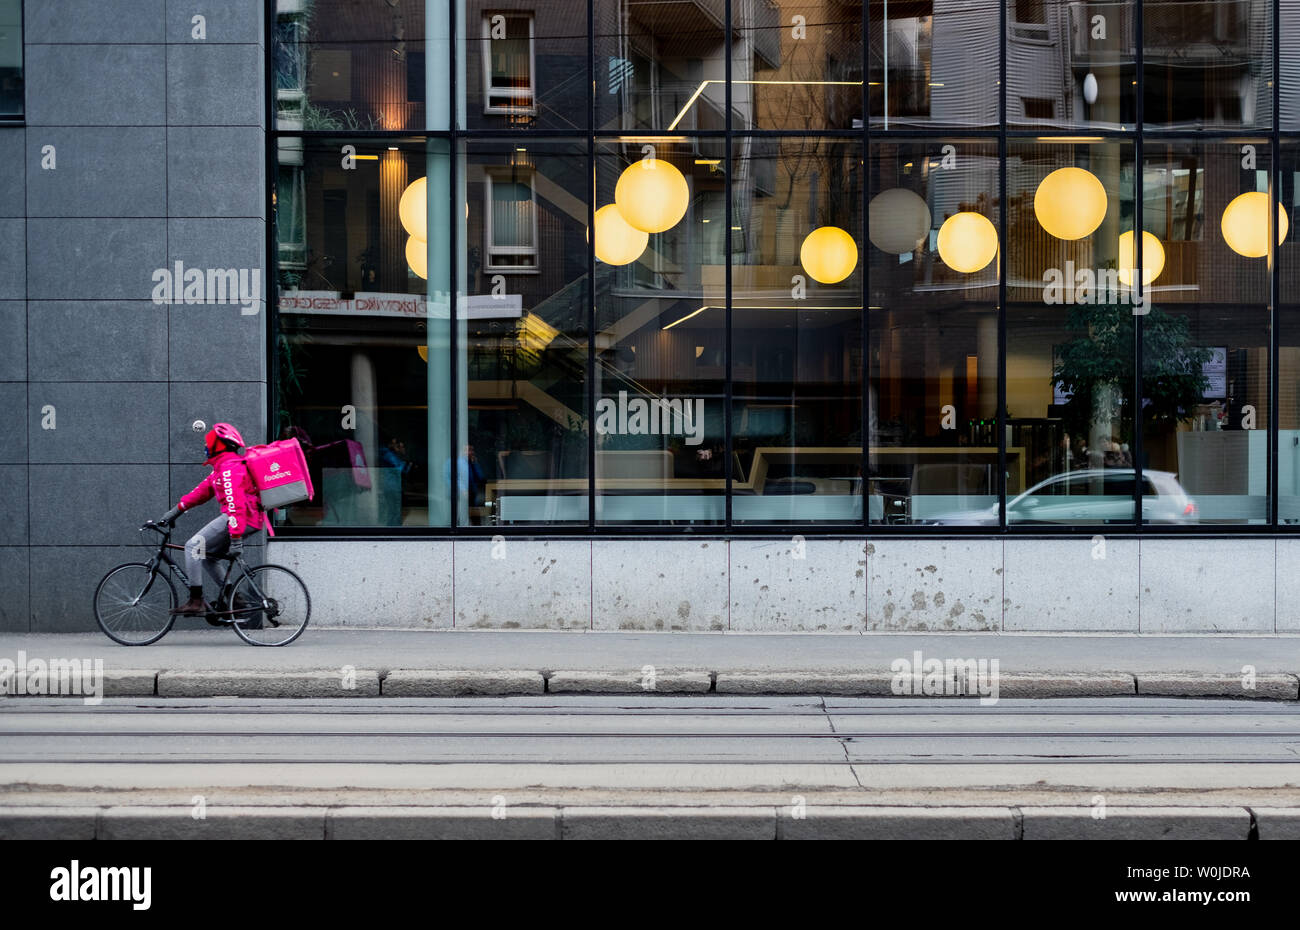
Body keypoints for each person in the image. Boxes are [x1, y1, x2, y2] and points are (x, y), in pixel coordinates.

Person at [158, 422, 267, 617]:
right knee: (208, 557)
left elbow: (235, 504)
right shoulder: (222, 468)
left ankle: (196, 600)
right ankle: (234, 597)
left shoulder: (230, 468)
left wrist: (235, 539)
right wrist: (175, 512)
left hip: (241, 518)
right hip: (244, 518)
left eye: (209, 443)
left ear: (219, 445)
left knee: (193, 546)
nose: (206, 447)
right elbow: (200, 492)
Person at [378, 435, 413, 526]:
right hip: (392, 486)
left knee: (394, 510)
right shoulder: (388, 454)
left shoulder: (386, 454)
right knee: (394, 510)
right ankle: (393, 530)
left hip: (391, 485)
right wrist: (407, 463)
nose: (400, 448)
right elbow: (401, 469)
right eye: (399, 446)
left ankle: (393, 529)